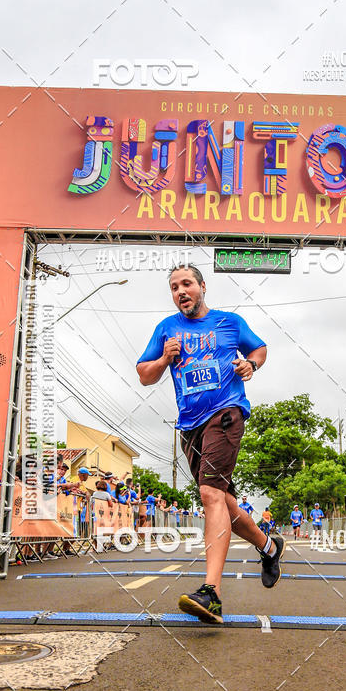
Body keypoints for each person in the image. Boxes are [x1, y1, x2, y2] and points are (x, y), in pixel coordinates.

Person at [136, 264, 284, 624]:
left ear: (202, 287)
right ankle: (268, 546)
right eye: (174, 287)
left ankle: (212, 593)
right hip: (190, 425)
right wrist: (164, 359)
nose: (180, 291)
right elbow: (143, 375)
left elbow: (260, 348)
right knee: (223, 500)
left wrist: (250, 364)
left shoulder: (229, 322)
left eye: (186, 284)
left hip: (227, 412)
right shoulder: (166, 329)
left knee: (209, 495)